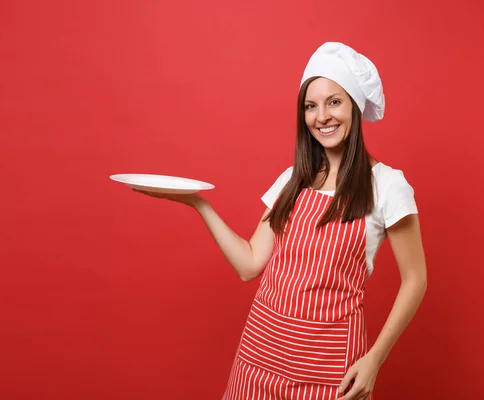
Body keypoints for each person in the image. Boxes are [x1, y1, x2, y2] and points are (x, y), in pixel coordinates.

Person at [134, 42, 427, 400]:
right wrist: (200, 204)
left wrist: (374, 359)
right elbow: (249, 264)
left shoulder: (386, 185)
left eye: (334, 101)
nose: (321, 116)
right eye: (310, 106)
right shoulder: (293, 180)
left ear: (354, 104)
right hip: (259, 357)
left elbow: (415, 280)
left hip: (330, 368)